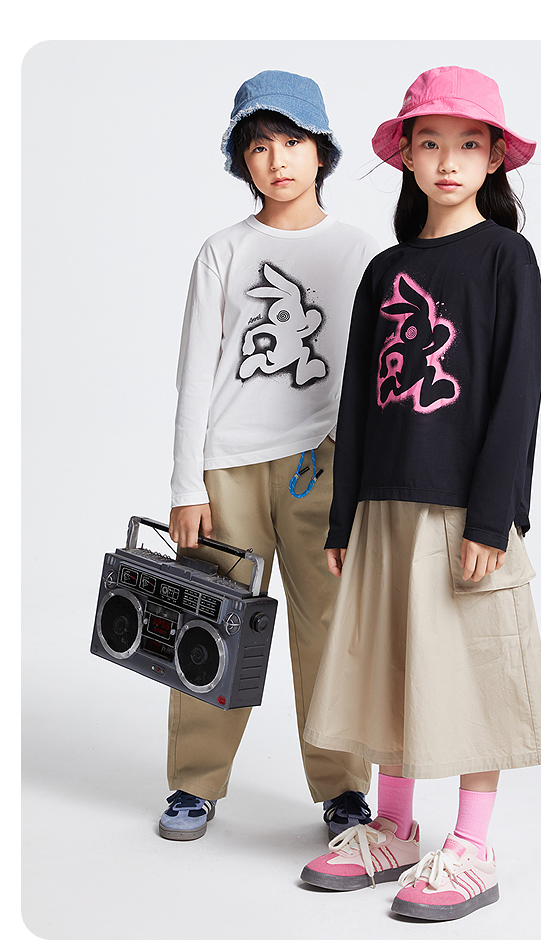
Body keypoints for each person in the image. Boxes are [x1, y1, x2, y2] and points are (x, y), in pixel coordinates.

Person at [299, 66, 541, 921]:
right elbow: (356, 402)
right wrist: (343, 516)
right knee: (389, 666)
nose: (448, 161)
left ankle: (471, 848)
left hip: (462, 511)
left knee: (474, 673)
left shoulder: (506, 259)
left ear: (493, 159)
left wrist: (493, 516)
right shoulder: (387, 270)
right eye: (431, 143)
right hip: (383, 507)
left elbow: (518, 394)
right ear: (406, 156)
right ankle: (395, 828)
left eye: (468, 145)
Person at [161, 70, 377, 843]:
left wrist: (363, 478)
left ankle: (344, 789)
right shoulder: (222, 250)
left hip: (323, 465)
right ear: (241, 161)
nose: (277, 159)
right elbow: (194, 373)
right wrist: (186, 483)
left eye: (292, 141)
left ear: (321, 151)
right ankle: (194, 782)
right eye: (258, 146)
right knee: (215, 621)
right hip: (229, 466)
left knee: (332, 630)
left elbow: (368, 374)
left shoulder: (359, 252)